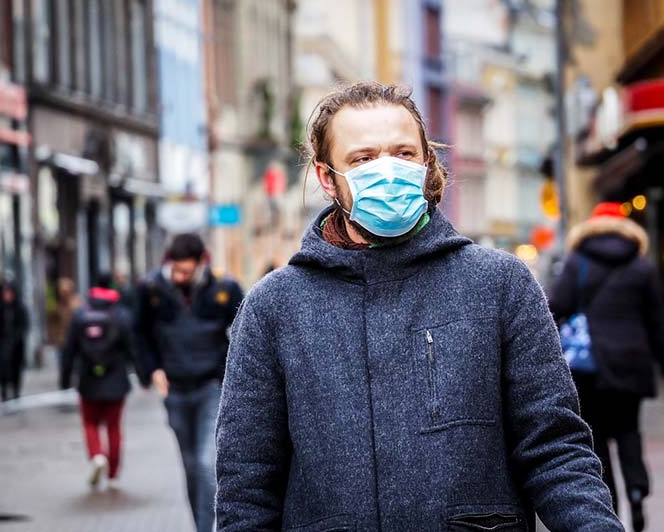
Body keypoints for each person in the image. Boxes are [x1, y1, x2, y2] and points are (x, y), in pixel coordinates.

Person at [215, 82, 622, 532]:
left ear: (427, 163)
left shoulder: (500, 285)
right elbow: (246, 485)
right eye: (363, 159)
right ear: (327, 178)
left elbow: (555, 449)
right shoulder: (274, 307)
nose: (387, 171)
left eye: (403, 153)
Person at [548, 201, 664, 532]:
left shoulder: (578, 261)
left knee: (595, 436)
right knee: (629, 431)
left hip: (590, 365)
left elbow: (556, 307)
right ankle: (637, 492)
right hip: (631, 362)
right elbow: (656, 322)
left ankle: (608, 503)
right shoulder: (642, 266)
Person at [136, 233, 243, 532]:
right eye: (175, 269)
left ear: (200, 263)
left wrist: (233, 375)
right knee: (191, 467)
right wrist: (152, 370)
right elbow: (139, 333)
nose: (179, 276)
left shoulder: (224, 287)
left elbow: (247, 330)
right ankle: (201, 526)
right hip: (175, 390)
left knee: (208, 462)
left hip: (211, 387)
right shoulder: (152, 289)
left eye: (185, 270)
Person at [61, 273, 149, 488]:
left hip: (88, 379)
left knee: (90, 423)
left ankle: (97, 455)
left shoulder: (81, 314)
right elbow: (133, 349)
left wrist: (64, 379)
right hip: (116, 379)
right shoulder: (121, 315)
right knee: (114, 427)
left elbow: (69, 349)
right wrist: (143, 376)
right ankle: (113, 473)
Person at [0, 282, 29, 401]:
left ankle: (16, 390)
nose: (7, 295)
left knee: (16, 367)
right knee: (2, 368)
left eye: (8, 293)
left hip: (17, 344)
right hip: (2, 343)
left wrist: (16, 338)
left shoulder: (20, 308)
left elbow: (23, 325)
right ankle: (3, 389)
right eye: (5, 293)